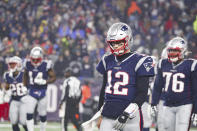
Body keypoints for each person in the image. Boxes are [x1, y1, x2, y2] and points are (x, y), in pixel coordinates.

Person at [96, 22, 155, 131]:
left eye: (119, 43)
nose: (115, 46)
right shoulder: (107, 60)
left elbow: (142, 93)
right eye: (113, 43)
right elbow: (103, 89)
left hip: (131, 117)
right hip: (109, 114)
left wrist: (126, 114)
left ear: (128, 40)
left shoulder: (140, 60)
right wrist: (99, 113)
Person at [151, 36, 197, 131]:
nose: (172, 53)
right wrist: (154, 103)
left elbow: (195, 89)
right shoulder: (163, 63)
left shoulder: (191, 65)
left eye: (175, 51)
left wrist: (196, 109)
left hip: (185, 104)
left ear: (183, 51)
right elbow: (157, 86)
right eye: (170, 50)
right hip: (167, 104)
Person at [23, 46, 56, 131]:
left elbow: (53, 77)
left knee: (43, 114)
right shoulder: (27, 63)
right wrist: (24, 86)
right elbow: (25, 75)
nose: (34, 61)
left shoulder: (46, 64)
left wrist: (45, 81)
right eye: (33, 59)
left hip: (42, 92)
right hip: (31, 91)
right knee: (29, 113)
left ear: (41, 58)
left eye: (37, 60)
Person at [3, 56, 28, 131]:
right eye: (10, 64)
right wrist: (7, 92)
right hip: (14, 100)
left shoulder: (24, 74)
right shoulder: (7, 75)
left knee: (23, 122)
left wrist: (27, 90)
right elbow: (7, 86)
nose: (11, 66)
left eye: (13, 64)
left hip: (24, 100)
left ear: (19, 64)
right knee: (14, 122)